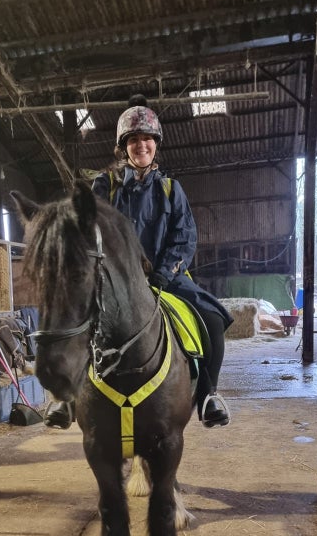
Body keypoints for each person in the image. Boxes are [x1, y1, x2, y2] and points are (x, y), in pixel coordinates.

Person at [45, 95, 232, 430]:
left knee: (213, 319)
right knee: (75, 316)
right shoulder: (105, 186)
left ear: (155, 144)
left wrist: (162, 274)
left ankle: (208, 395)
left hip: (166, 277)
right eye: (133, 139)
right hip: (113, 279)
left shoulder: (172, 189)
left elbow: (184, 237)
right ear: (124, 147)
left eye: (147, 138)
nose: (141, 145)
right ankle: (67, 397)